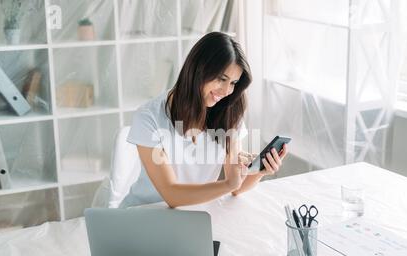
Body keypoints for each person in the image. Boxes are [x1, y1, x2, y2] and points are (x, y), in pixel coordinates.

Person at [119, 32, 287, 209]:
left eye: (233, 83)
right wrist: (228, 184)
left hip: (193, 215)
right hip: (144, 214)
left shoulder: (228, 112)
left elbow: (235, 186)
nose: (226, 91)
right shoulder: (149, 117)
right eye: (222, 79)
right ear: (198, 69)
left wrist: (259, 172)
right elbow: (172, 195)